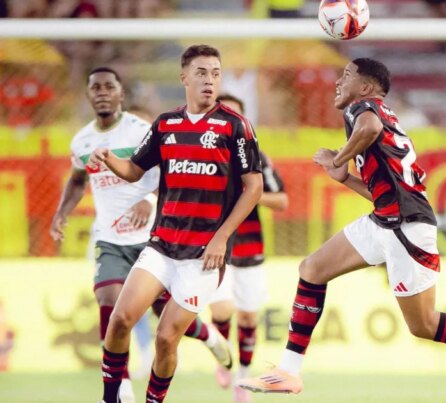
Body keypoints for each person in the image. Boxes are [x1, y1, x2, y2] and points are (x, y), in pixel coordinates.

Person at [237, 58, 446, 395]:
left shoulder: (363, 109)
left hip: (407, 227)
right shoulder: (381, 116)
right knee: (312, 269)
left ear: (366, 86)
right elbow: (384, 186)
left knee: (425, 325)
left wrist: (339, 158)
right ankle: (289, 370)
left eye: (346, 76)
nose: (337, 82)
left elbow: (369, 129)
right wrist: (344, 176)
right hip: (386, 218)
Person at [90, 45, 263, 403]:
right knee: (120, 319)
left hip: (203, 256)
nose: (209, 80)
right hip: (162, 245)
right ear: (184, 77)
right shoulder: (166, 124)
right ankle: (111, 398)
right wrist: (107, 158)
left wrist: (221, 238)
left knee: (167, 338)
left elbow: (254, 188)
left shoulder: (235, 126)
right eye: (201, 73)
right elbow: (135, 170)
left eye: (216, 73)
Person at [51, 67, 235, 399]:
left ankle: (208, 335)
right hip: (109, 239)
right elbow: (78, 180)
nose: (103, 92)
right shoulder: (82, 141)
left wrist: (149, 201)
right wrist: (61, 213)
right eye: (96, 88)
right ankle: (120, 392)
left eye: (110, 86)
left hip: (154, 240)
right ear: (89, 95)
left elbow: (173, 173)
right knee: (110, 305)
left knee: (164, 316)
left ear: (121, 93)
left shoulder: (141, 131)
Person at [208, 93, 289, 403]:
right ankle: (223, 360)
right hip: (215, 247)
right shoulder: (206, 157)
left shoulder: (259, 158)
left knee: (247, 319)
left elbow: (282, 200)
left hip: (250, 247)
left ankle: (242, 376)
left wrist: (251, 193)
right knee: (222, 309)